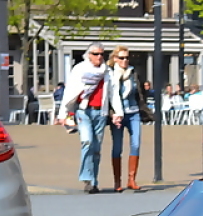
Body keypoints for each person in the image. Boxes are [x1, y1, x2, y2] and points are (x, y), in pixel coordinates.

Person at [61, 42, 112, 194]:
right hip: (83, 111)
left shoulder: (107, 70)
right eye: (96, 54)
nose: (100, 57)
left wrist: (117, 112)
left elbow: (112, 92)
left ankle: (94, 181)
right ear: (89, 55)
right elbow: (70, 91)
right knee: (87, 142)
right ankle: (86, 178)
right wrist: (63, 114)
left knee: (96, 148)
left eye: (102, 54)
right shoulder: (80, 69)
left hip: (100, 112)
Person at [108, 46, 147, 192]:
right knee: (117, 147)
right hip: (118, 114)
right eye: (121, 58)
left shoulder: (133, 72)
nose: (125, 60)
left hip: (133, 112)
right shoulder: (110, 74)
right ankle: (117, 181)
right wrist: (112, 113)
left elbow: (142, 91)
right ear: (115, 59)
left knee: (136, 144)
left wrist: (143, 106)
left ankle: (131, 179)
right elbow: (108, 96)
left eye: (127, 58)